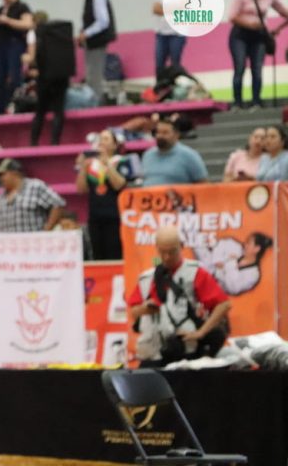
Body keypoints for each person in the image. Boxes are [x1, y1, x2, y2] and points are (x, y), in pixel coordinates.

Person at [127, 226, 231, 368]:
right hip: (153, 352)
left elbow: (224, 304)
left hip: (185, 351)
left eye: (172, 251)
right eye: (163, 252)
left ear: (181, 246)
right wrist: (145, 309)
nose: (167, 257)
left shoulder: (195, 273)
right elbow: (133, 312)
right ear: (156, 248)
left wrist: (200, 332)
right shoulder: (146, 278)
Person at [229, 0, 288, 110]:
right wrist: (250, 24)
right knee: (239, 67)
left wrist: (277, 29)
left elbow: (285, 13)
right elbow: (232, 16)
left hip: (259, 37)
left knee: (257, 69)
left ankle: (256, 101)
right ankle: (237, 103)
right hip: (240, 36)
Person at [75, 129, 126, 260]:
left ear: (115, 145)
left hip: (116, 217)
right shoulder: (91, 165)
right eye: (100, 138)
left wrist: (106, 163)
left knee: (114, 253)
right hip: (95, 217)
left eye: (106, 139)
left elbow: (119, 185)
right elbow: (81, 189)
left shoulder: (121, 161)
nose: (102, 142)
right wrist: (83, 167)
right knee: (98, 255)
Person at [0, 0, 33, 114]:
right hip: (1, 46)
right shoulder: (0, 10)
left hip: (15, 44)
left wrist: (7, 20)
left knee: (14, 76)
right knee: (0, 78)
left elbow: (27, 24)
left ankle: (16, 104)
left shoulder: (22, 7)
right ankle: (1, 108)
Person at [30, 20, 74, 146]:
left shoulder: (41, 36)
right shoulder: (65, 36)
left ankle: (33, 142)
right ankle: (55, 141)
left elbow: (35, 57)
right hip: (61, 78)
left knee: (40, 112)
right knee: (58, 111)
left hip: (44, 77)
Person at [0, 158, 65, 232]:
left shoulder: (35, 186)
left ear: (15, 172)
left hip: (35, 239)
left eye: (2, 174)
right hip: (6, 240)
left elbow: (58, 204)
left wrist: (47, 230)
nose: (0, 178)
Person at [76, 0, 116, 103]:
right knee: (91, 76)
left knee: (95, 77)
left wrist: (86, 33)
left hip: (97, 42)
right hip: (92, 43)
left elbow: (103, 21)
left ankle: (97, 105)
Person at [194, 232, 272, 296]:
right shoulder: (237, 248)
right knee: (197, 240)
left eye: (248, 243)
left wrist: (230, 264)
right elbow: (222, 244)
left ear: (257, 249)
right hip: (210, 268)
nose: (245, 244)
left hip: (212, 288)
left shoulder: (253, 275)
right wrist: (217, 259)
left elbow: (233, 289)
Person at [141, 118, 207, 187]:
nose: (160, 136)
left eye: (165, 133)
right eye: (158, 132)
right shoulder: (148, 155)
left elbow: (203, 184)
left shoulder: (189, 155)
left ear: (176, 135)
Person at [153, 0, 187, 77]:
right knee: (159, 63)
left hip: (177, 34)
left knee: (175, 64)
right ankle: (160, 85)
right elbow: (156, 9)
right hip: (162, 33)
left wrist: (165, 8)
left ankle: (174, 84)